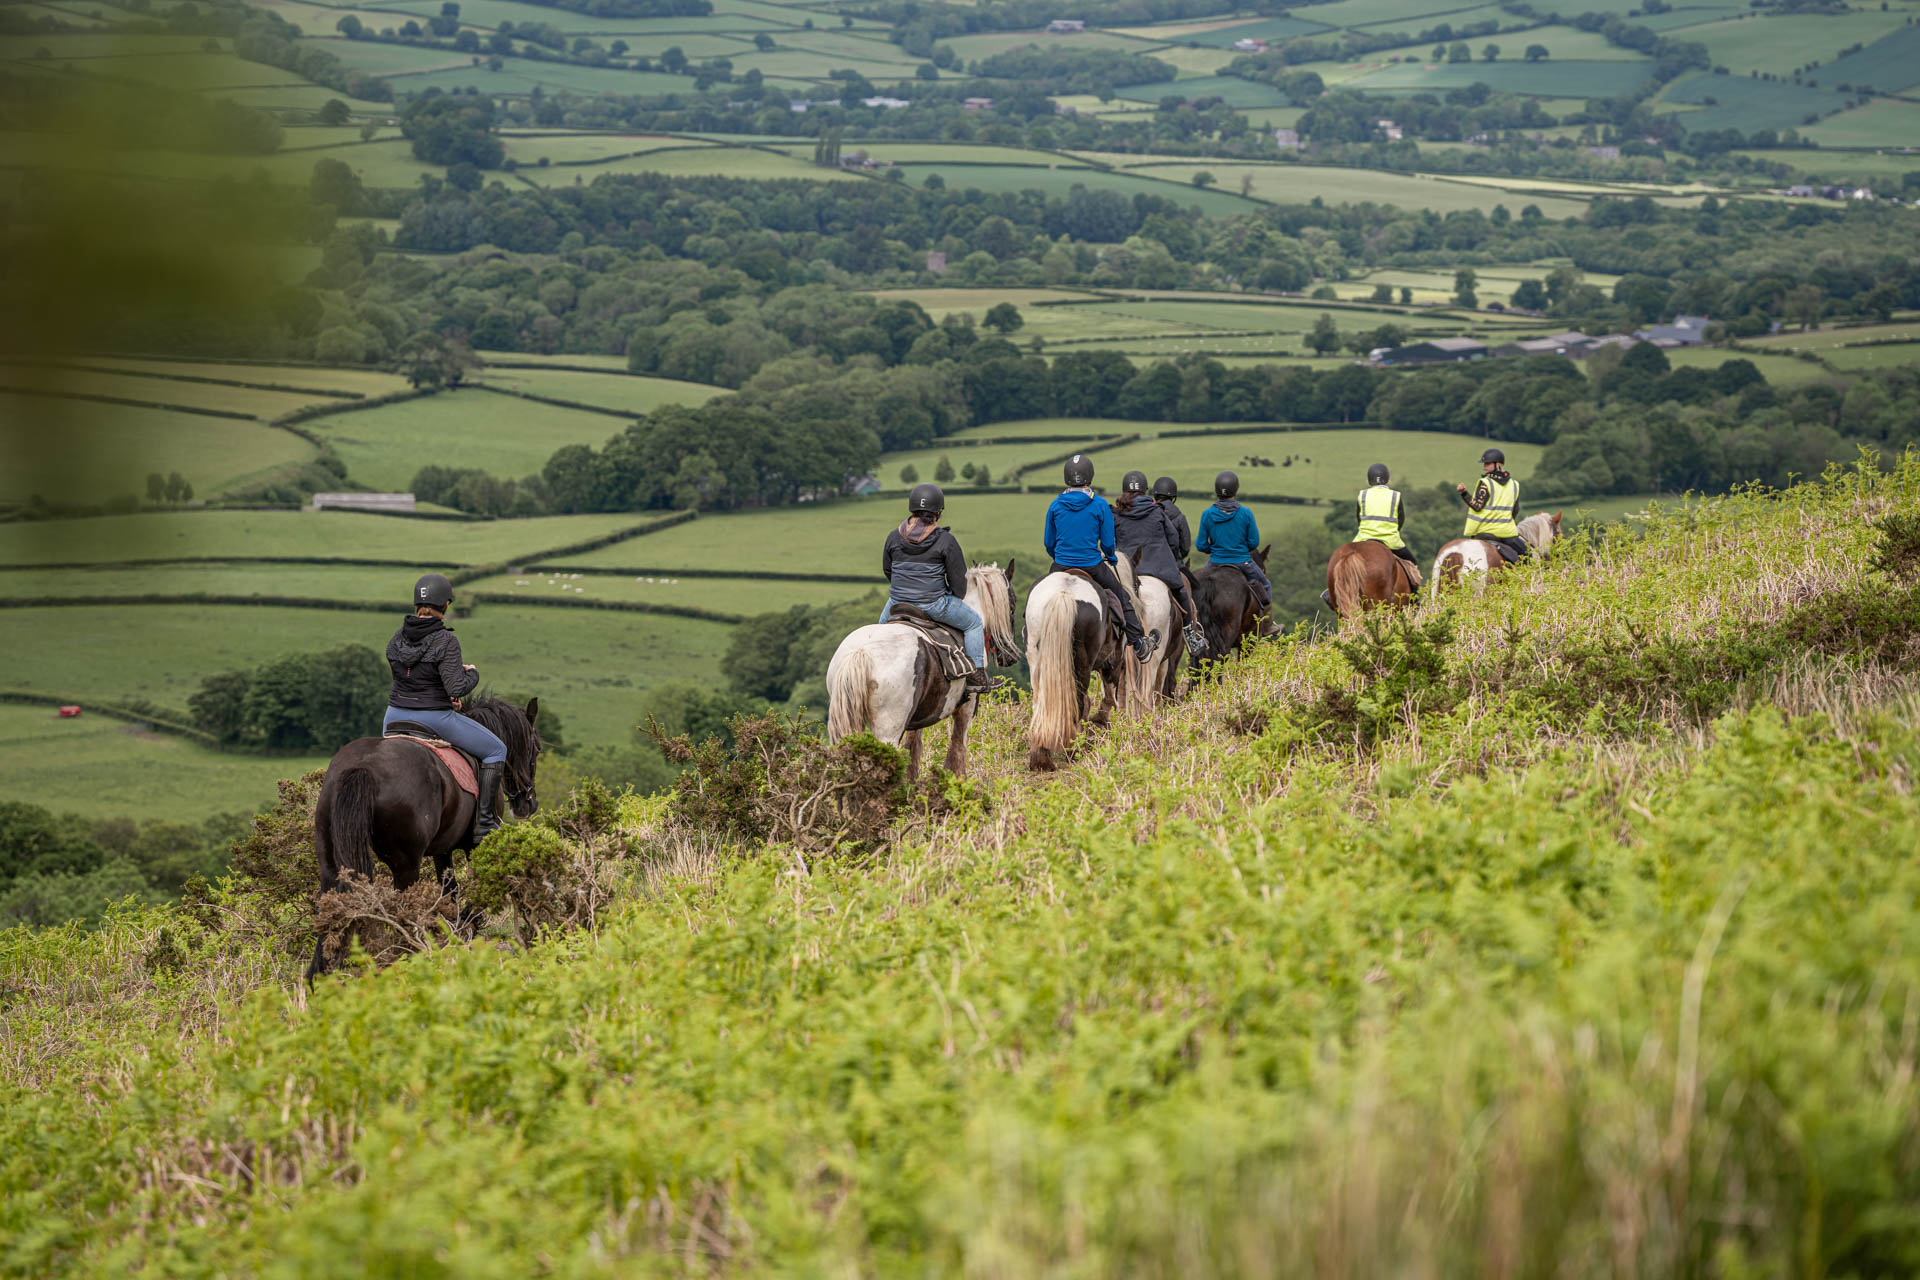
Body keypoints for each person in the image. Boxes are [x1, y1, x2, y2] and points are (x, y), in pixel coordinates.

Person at [385, 573, 507, 838]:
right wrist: (471, 674)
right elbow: (456, 688)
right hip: (433, 718)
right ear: (446, 606)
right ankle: (485, 824)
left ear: (417, 604)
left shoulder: (396, 639)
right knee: (497, 749)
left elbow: (413, 678)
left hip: (393, 717)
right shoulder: (445, 641)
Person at [880, 483, 1004, 692]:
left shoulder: (894, 536)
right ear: (938, 513)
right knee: (974, 622)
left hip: (897, 603)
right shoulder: (946, 540)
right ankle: (976, 676)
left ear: (912, 510)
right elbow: (958, 583)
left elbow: (887, 570)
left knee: (878, 633)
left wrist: (903, 591)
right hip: (933, 604)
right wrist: (951, 597)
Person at [1043, 454, 1159, 661]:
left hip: (1060, 564)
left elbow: (1048, 543)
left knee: (1040, 596)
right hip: (1092, 565)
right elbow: (1107, 542)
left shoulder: (1055, 505)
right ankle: (1139, 644)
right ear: (1090, 476)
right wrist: (1112, 558)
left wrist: (1060, 558)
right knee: (1123, 598)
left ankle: (1032, 636)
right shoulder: (1099, 505)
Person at [1114, 471, 1207, 656]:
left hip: (1128, 571)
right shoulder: (1156, 511)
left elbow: (1109, 541)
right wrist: (1169, 558)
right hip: (1158, 568)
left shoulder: (1116, 513)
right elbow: (1173, 539)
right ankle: (1191, 637)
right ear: (1145, 490)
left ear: (1124, 490)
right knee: (1181, 592)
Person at [1322, 462, 1420, 609]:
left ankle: (1330, 594)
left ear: (1369, 480)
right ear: (1388, 479)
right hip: (1390, 540)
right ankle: (1414, 598)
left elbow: (1359, 518)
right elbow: (1401, 520)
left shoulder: (1362, 495)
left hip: (1363, 538)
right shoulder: (1395, 496)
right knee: (1413, 566)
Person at [1195, 470, 1270, 609]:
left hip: (1215, 561)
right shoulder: (1245, 513)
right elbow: (1254, 542)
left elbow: (1200, 545)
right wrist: (1239, 548)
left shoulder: (1207, 514)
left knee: (1196, 588)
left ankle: (1193, 626)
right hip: (1243, 561)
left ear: (1216, 490)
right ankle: (1267, 625)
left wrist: (1216, 549)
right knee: (1266, 585)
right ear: (1236, 489)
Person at [1456, 446, 1528, 562]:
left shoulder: (1486, 483)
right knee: (1528, 555)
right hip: (1507, 533)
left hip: (1484, 532)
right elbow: (1515, 510)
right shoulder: (1514, 485)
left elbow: (1477, 506)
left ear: (1498, 464)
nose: (1484, 467)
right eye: (1484, 464)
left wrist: (1464, 493)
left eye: (1487, 464)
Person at [1151, 476, 1191, 567]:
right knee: (1193, 581)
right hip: (1174, 562)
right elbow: (1186, 547)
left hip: (1151, 562)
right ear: (1173, 497)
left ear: (1155, 495)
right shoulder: (1180, 517)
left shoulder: (1148, 514)